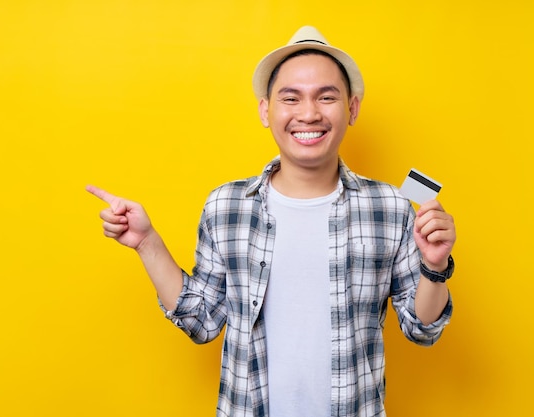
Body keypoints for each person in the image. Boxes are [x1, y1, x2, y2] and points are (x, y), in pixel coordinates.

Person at [86, 26, 456, 417]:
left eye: (326, 97)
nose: (309, 113)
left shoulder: (391, 207)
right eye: (291, 98)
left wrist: (434, 268)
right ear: (266, 111)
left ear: (352, 108)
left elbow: (422, 329)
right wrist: (147, 243)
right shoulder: (226, 206)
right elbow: (202, 321)